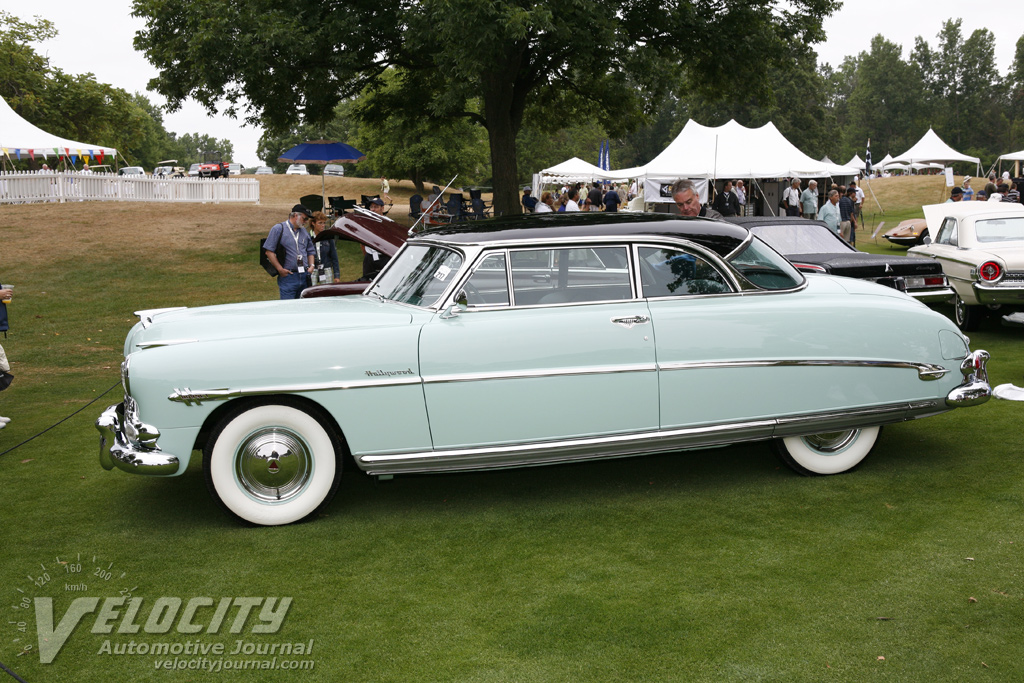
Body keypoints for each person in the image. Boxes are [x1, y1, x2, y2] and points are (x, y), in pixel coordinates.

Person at [264, 204, 316, 299]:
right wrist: (280, 269)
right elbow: (269, 251)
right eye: (304, 219)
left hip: (304, 275)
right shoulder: (278, 229)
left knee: (304, 308)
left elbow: (310, 250)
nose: (306, 222)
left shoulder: (304, 231)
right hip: (288, 276)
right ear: (296, 216)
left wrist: (312, 266)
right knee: (288, 308)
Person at [308, 211, 340, 285]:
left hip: (326, 267)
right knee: (311, 292)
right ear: (313, 223)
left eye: (324, 223)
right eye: (320, 223)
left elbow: (334, 257)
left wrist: (336, 275)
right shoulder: (308, 237)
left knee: (327, 293)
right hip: (312, 268)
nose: (323, 225)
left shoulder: (328, 237)